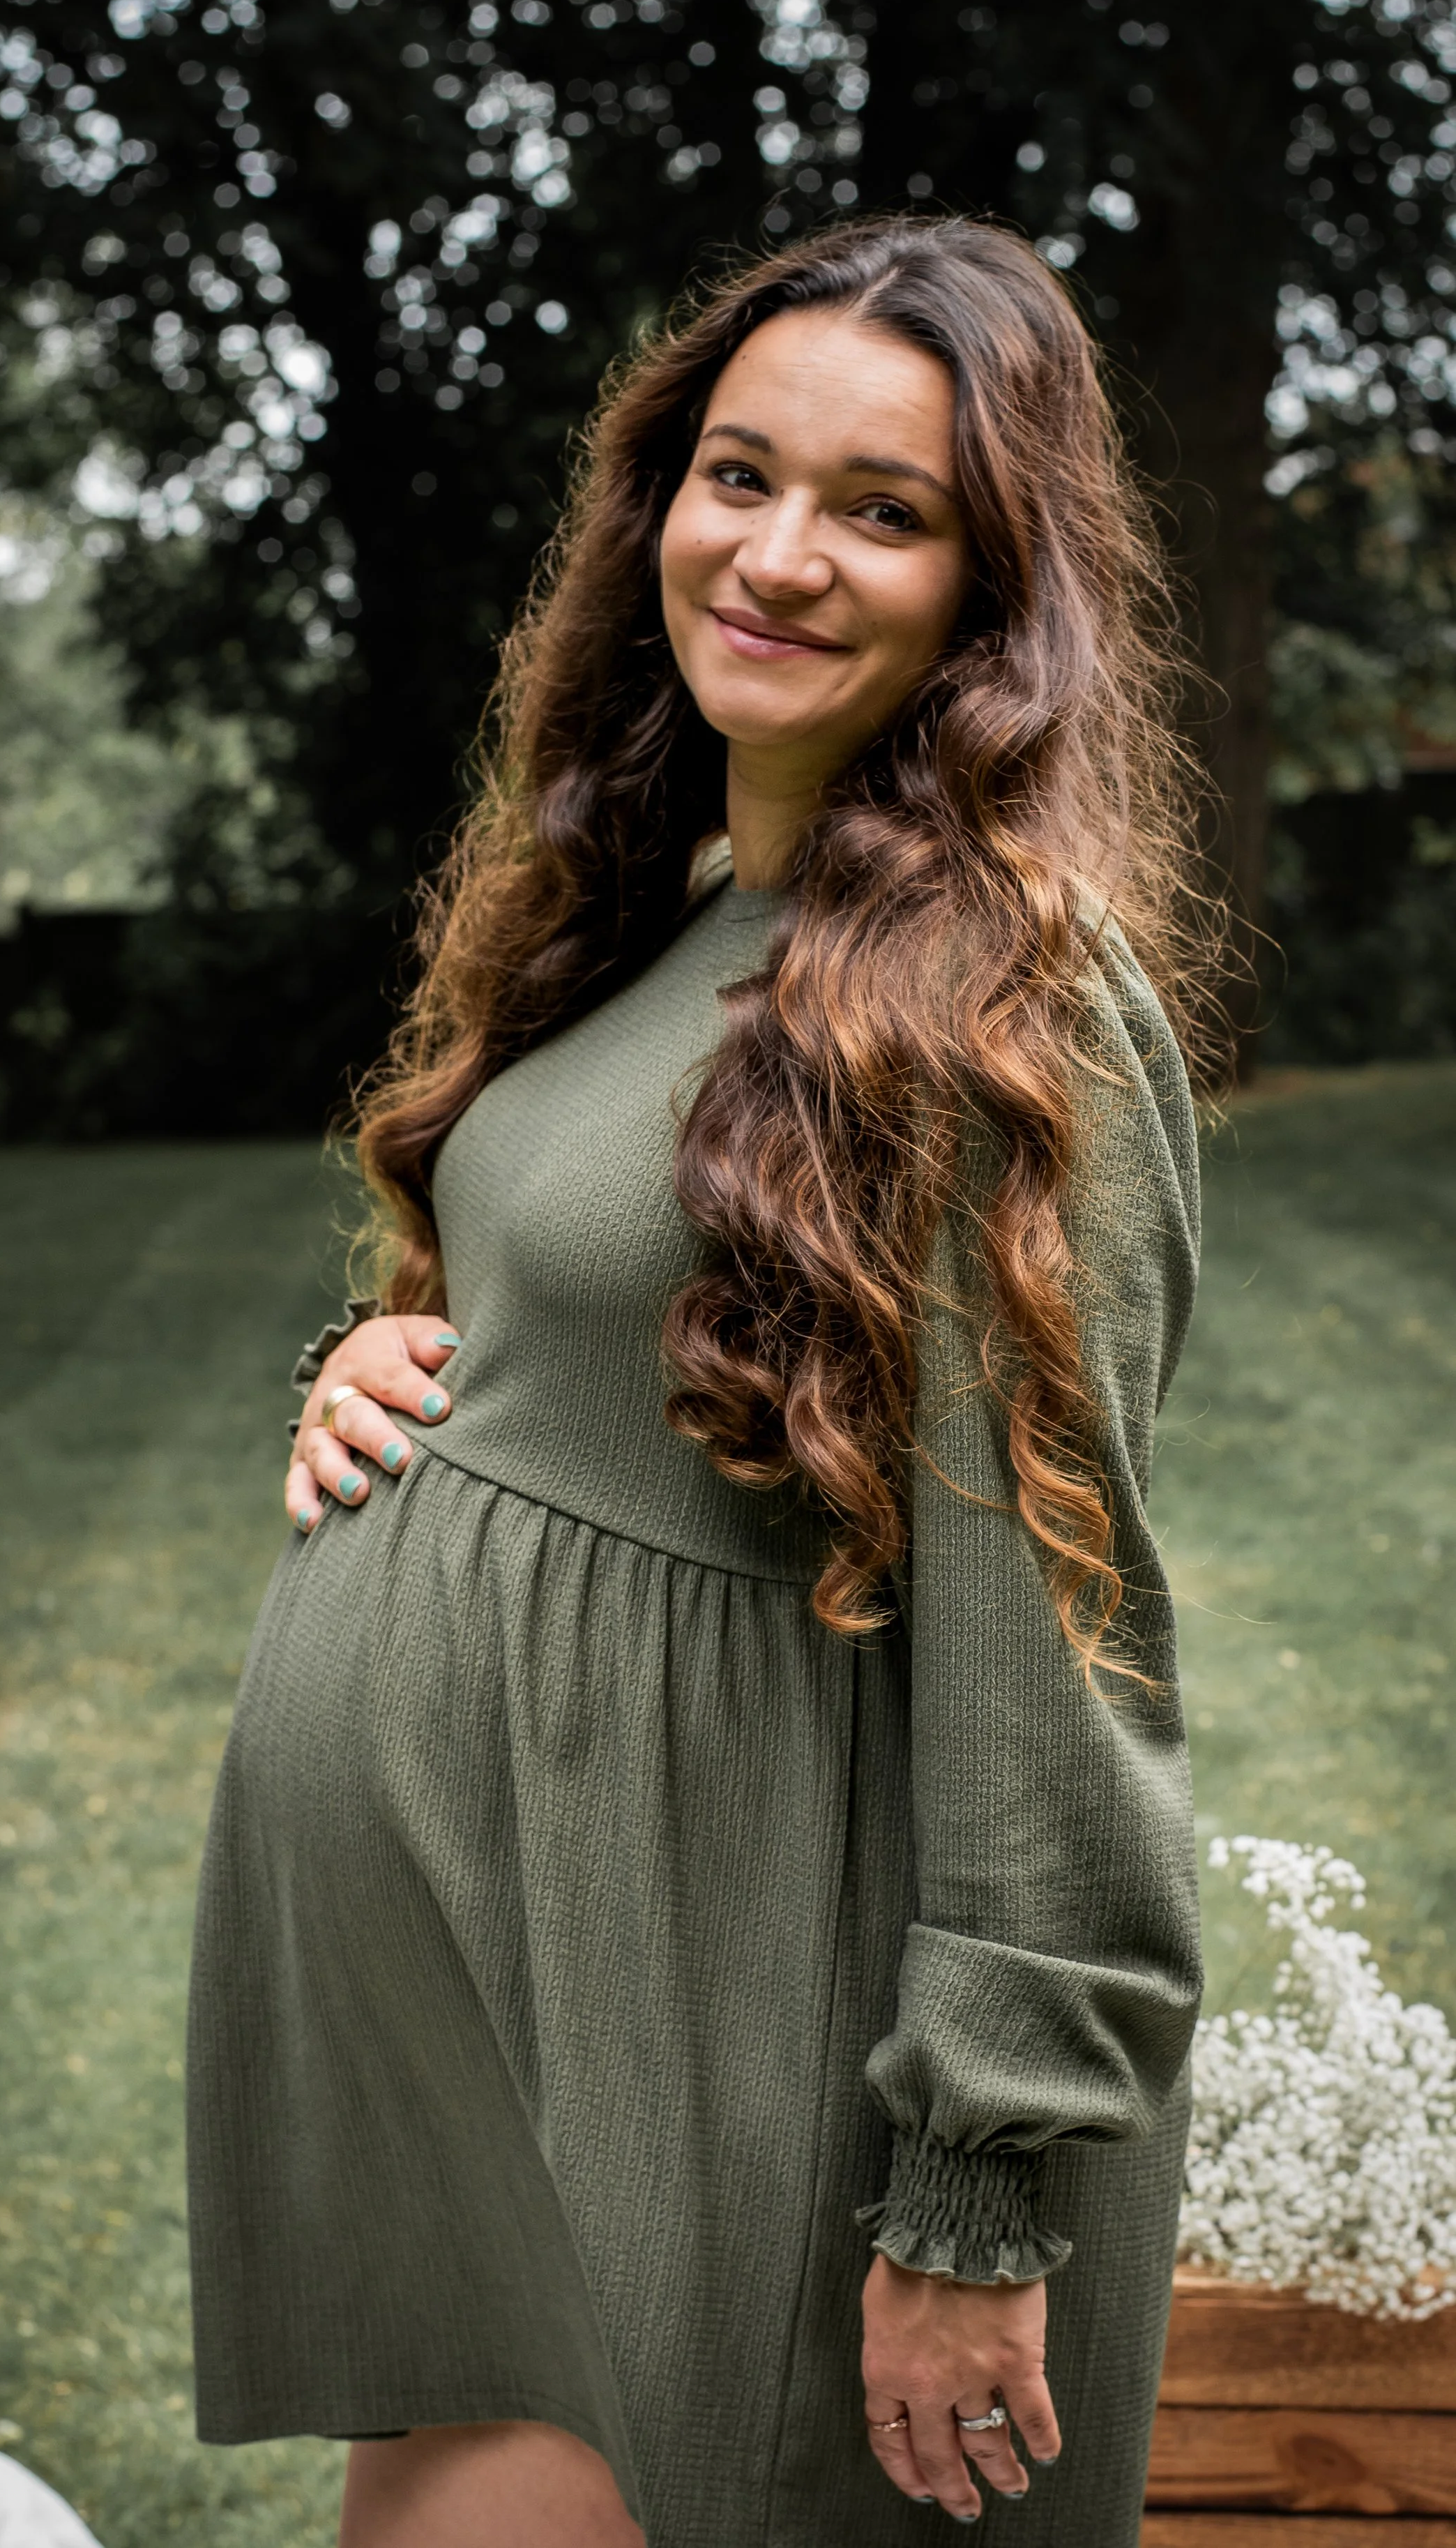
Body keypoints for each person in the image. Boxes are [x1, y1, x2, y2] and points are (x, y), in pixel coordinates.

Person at [185, 213, 1215, 2547]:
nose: (775, 553)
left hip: (726, 2026)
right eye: (736, 474)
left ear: (995, 585)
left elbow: (1051, 1627)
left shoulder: (1002, 1002)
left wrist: (967, 2196)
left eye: (884, 508)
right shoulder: (668, 906)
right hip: (525, 2021)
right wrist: (386, 1366)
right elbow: (608, 1294)